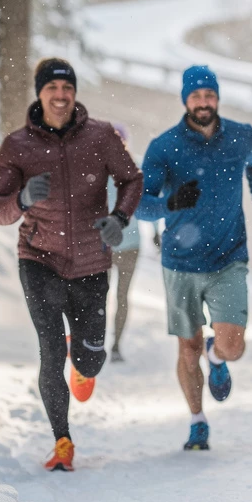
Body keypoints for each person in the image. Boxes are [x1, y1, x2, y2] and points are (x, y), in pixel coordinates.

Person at [0, 58, 142, 471]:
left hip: (92, 262)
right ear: (40, 93)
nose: (60, 95)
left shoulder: (101, 136)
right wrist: (21, 199)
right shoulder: (18, 145)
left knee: (90, 359)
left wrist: (119, 218)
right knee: (50, 351)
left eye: (66, 88)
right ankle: (62, 442)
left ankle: (84, 361)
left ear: (74, 93)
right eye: (51, 88)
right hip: (39, 260)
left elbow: (132, 179)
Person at [135, 66, 252, 452]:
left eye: (209, 95)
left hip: (228, 257)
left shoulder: (242, 137)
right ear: (185, 100)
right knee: (187, 347)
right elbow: (139, 204)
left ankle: (218, 355)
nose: (203, 102)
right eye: (196, 96)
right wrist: (169, 203)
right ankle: (197, 421)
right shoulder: (164, 146)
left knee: (233, 345)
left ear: (217, 98)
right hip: (180, 263)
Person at [108, 123, 141, 363]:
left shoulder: (135, 170)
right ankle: (97, 342)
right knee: (100, 295)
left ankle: (116, 345)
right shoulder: (98, 170)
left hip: (129, 245)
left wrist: (157, 231)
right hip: (104, 244)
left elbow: (146, 202)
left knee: (121, 296)